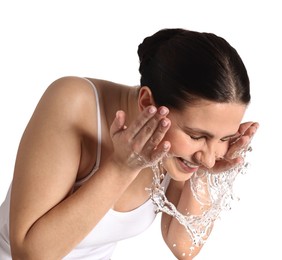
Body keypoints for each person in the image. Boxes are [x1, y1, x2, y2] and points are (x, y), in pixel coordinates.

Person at [0, 28, 259, 260]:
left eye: (224, 138)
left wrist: (204, 172)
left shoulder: (181, 151)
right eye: (196, 136)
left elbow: (183, 246)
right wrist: (122, 167)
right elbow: (28, 255)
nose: (211, 156)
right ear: (148, 103)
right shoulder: (74, 102)